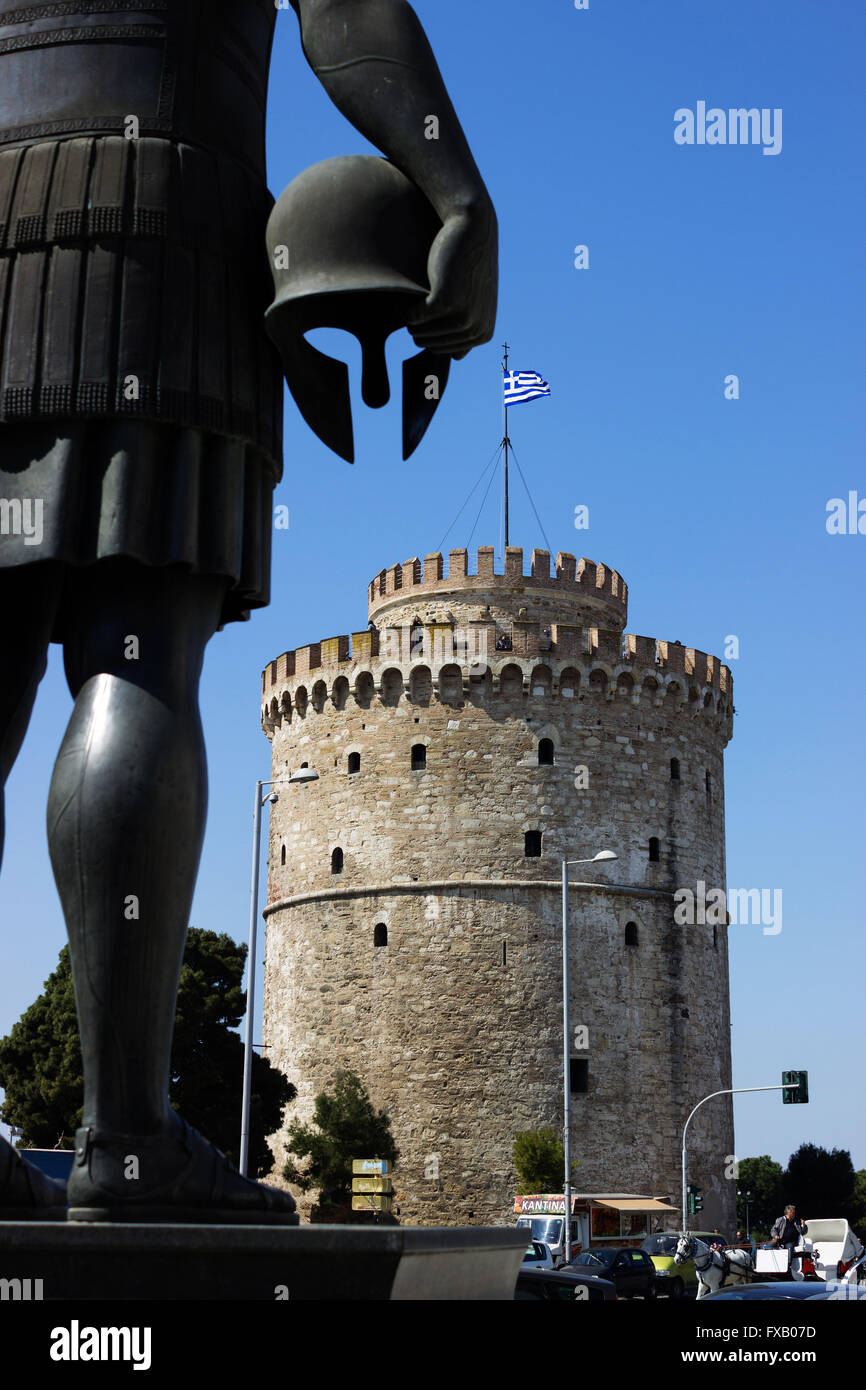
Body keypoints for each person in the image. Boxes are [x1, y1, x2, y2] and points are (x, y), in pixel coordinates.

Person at [0, 0, 497, 1220]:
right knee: (134, 655)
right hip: (153, 224)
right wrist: (457, 191)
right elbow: (346, 11)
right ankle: (125, 1145)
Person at [767, 1205, 808, 1277]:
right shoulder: (780, 1220)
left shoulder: (796, 1222)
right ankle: (769, 1266)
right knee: (767, 1247)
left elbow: (803, 1232)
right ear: (788, 1213)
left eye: (794, 1212)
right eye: (793, 1212)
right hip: (779, 1240)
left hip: (790, 1241)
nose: (794, 1214)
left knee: (790, 1249)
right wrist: (776, 1235)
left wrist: (804, 1225)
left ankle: (787, 1268)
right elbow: (773, 1230)